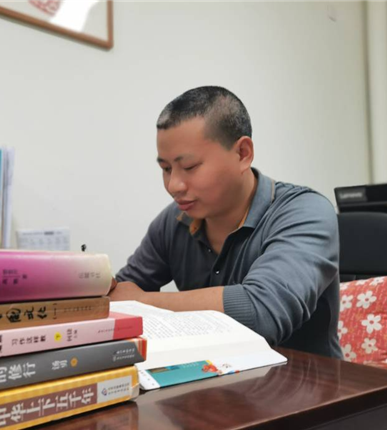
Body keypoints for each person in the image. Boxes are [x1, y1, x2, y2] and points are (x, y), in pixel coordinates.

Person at [110, 86, 342, 359]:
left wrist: (143, 301)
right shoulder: (174, 221)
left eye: (190, 167)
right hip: (213, 376)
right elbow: (119, 298)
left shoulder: (305, 212)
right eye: (166, 169)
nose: (174, 185)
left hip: (304, 380)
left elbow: (262, 314)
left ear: (242, 153)